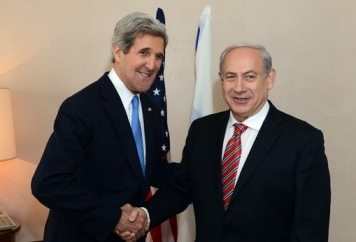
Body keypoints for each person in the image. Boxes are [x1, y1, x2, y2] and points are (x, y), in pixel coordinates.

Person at [123, 43, 331, 242]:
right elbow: (182, 187)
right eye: (231, 77)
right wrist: (144, 215)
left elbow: (310, 228)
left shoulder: (303, 141)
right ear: (221, 80)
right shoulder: (202, 130)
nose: (239, 88)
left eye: (249, 77)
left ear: (269, 79)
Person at [31, 12, 178, 242]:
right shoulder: (81, 107)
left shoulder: (149, 109)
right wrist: (113, 219)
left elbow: (145, 170)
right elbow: (48, 183)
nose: (152, 65)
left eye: (159, 56)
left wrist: (200, 169)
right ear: (118, 51)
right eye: (144, 53)